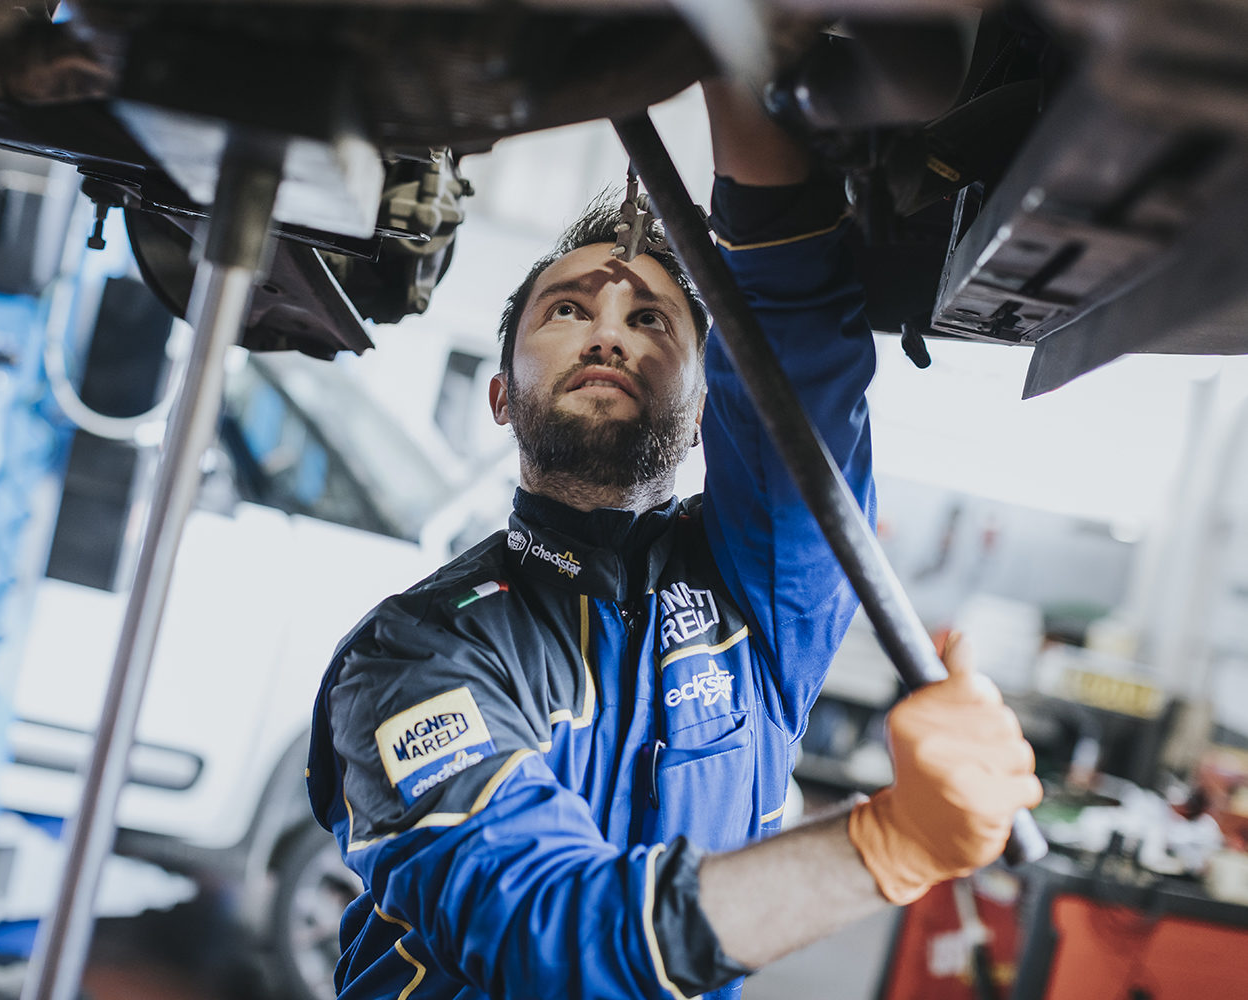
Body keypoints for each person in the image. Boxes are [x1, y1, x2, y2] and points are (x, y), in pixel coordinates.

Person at [306, 83, 1042, 1000]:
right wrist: (882, 846)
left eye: (652, 318)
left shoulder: (759, 600)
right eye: (566, 310)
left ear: (702, 413)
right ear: (501, 397)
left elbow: (795, 357)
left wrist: (745, 69)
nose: (609, 329)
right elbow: (551, 942)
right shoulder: (416, 653)